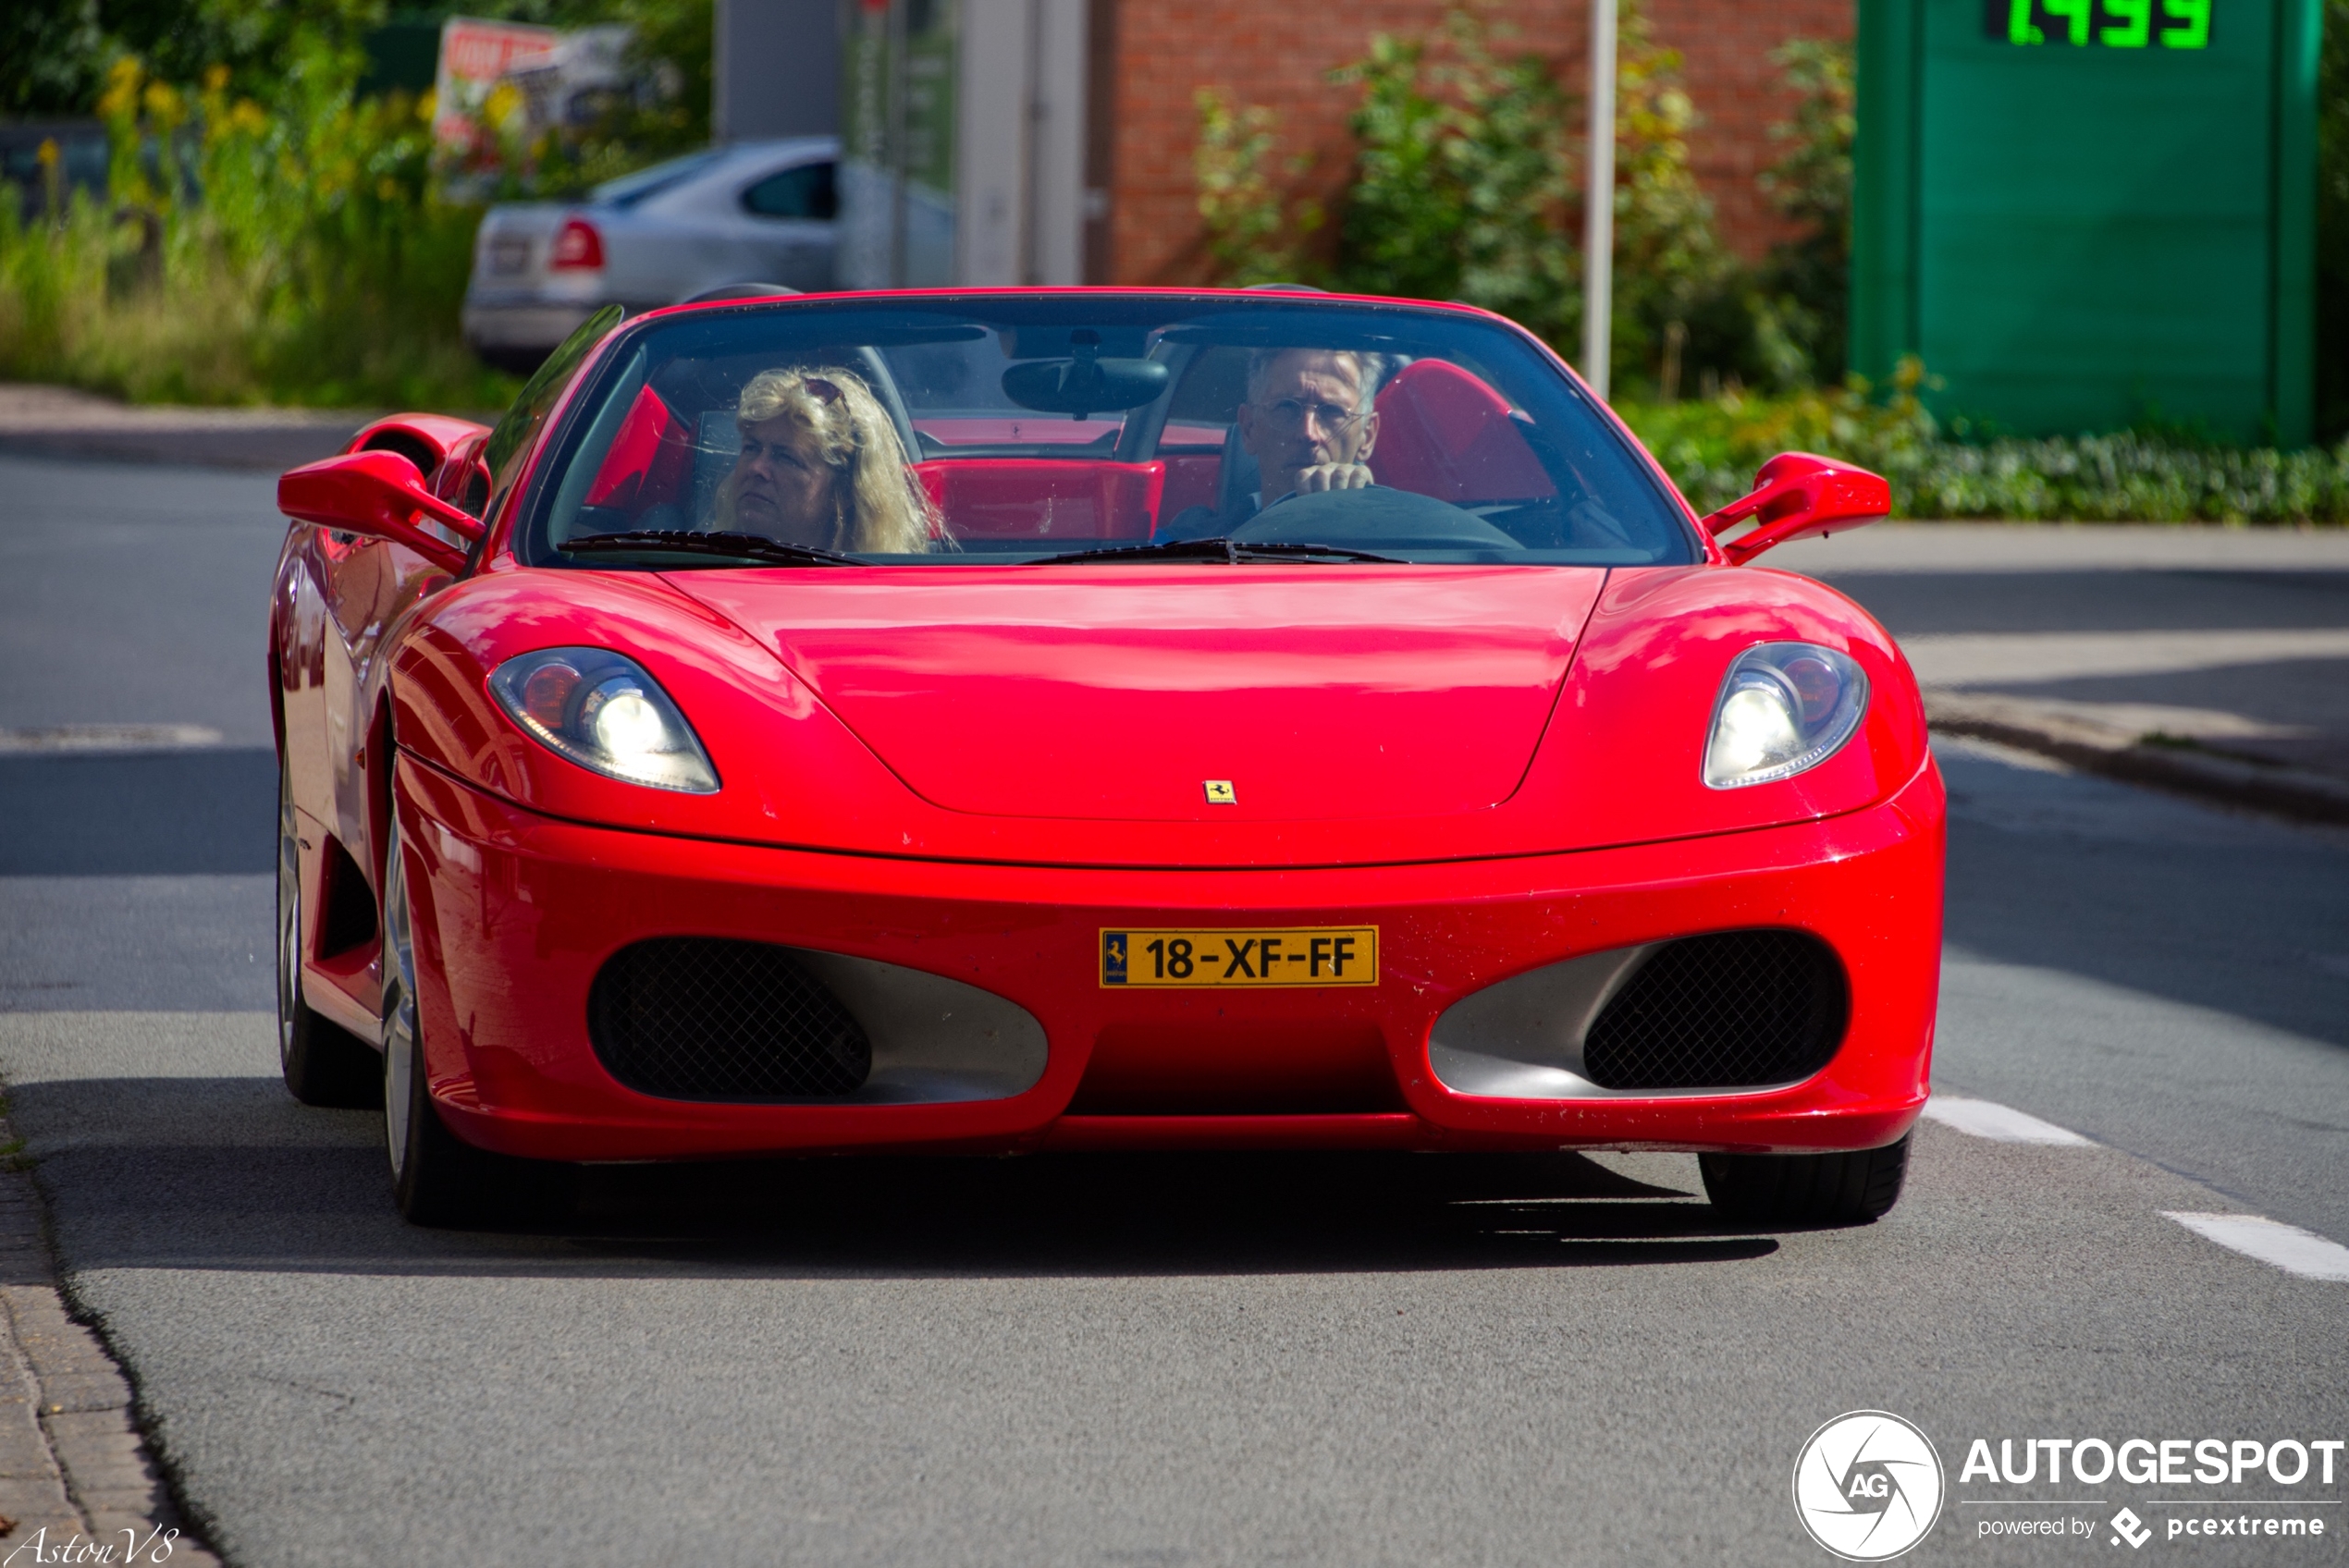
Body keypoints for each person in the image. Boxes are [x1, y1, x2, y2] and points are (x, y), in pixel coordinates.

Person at [1160, 347, 1386, 540]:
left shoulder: (1407, 546)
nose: (1308, 433)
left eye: (1332, 411)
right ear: (1249, 428)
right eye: (1287, 407)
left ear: (1367, 435)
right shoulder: (1187, 547)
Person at [709, 366, 941, 552]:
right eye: (751, 448)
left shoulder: (879, 599)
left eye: (786, 458)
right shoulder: (694, 573)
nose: (757, 468)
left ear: (846, 490)